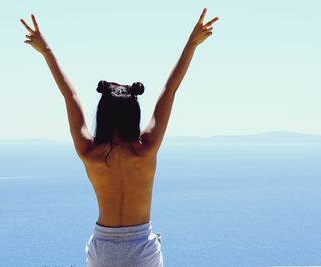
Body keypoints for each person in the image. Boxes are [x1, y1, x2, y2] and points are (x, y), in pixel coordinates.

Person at [20, 7, 219, 266]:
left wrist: (46, 51)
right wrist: (192, 44)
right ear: (133, 114)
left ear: (102, 114)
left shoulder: (90, 152)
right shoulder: (146, 148)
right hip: (141, 247)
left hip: (103, 248)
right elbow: (170, 90)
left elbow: (70, 96)